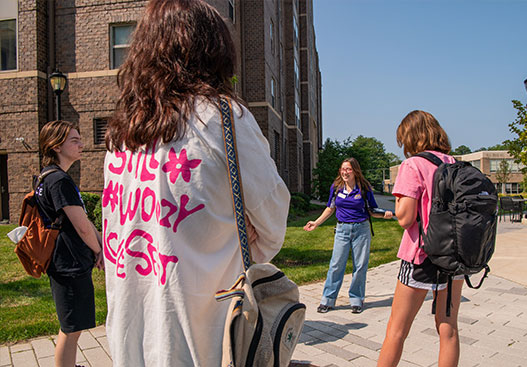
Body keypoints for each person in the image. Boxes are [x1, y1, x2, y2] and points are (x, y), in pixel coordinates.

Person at [101, 0, 290, 366]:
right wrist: (234, 237)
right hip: (203, 341)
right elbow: (273, 223)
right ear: (213, 50)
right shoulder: (221, 118)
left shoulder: (121, 134)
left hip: (130, 337)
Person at [377, 110, 464, 367]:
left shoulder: (412, 165)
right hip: (456, 254)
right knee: (448, 328)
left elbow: (405, 218)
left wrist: (400, 200)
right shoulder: (454, 163)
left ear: (411, 137)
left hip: (421, 255)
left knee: (396, 330)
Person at [36, 120, 104, 367]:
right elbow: (81, 225)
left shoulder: (48, 178)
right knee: (71, 328)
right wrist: (99, 251)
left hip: (64, 261)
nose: (81, 145)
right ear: (55, 146)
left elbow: (82, 218)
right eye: (74, 140)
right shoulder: (59, 181)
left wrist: (100, 243)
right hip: (69, 263)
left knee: (72, 326)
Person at [303, 158, 393, 314]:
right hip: (342, 230)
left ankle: (357, 300)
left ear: (355, 171)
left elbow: (372, 210)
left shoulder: (364, 188)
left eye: (348, 169)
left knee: (360, 266)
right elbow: (330, 208)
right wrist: (316, 223)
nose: (344, 172)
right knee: (336, 265)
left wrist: (385, 214)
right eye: (342, 169)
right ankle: (327, 300)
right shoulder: (337, 187)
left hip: (361, 230)